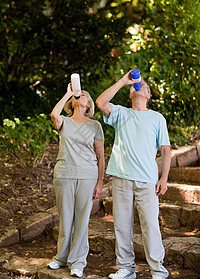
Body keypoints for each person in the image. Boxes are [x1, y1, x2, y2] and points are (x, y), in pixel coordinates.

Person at [96, 70, 171, 279]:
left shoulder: (157, 118)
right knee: (121, 224)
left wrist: (164, 178)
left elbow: (166, 150)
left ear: (148, 96)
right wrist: (123, 80)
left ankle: (157, 269)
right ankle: (126, 269)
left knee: (150, 224)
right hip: (121, 176)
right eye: (136, 86)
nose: (139, 87)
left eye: (143, 86)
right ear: (131, 93)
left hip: (148, 180)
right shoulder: (121, 113)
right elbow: (100, 102)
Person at [48, 83, 105, 278]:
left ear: (88, 104)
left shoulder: (95, 125)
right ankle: (60, 258)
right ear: (72, 102)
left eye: (83, 96)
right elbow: (54, 115)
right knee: (65, 220)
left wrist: (100, 183)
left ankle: (78, 261)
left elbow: (101, 156)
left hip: (88, 175)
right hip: (64, 174)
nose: (79, 97)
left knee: (81, 221)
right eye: (76, 96)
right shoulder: (64, 121)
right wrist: (68, 93)